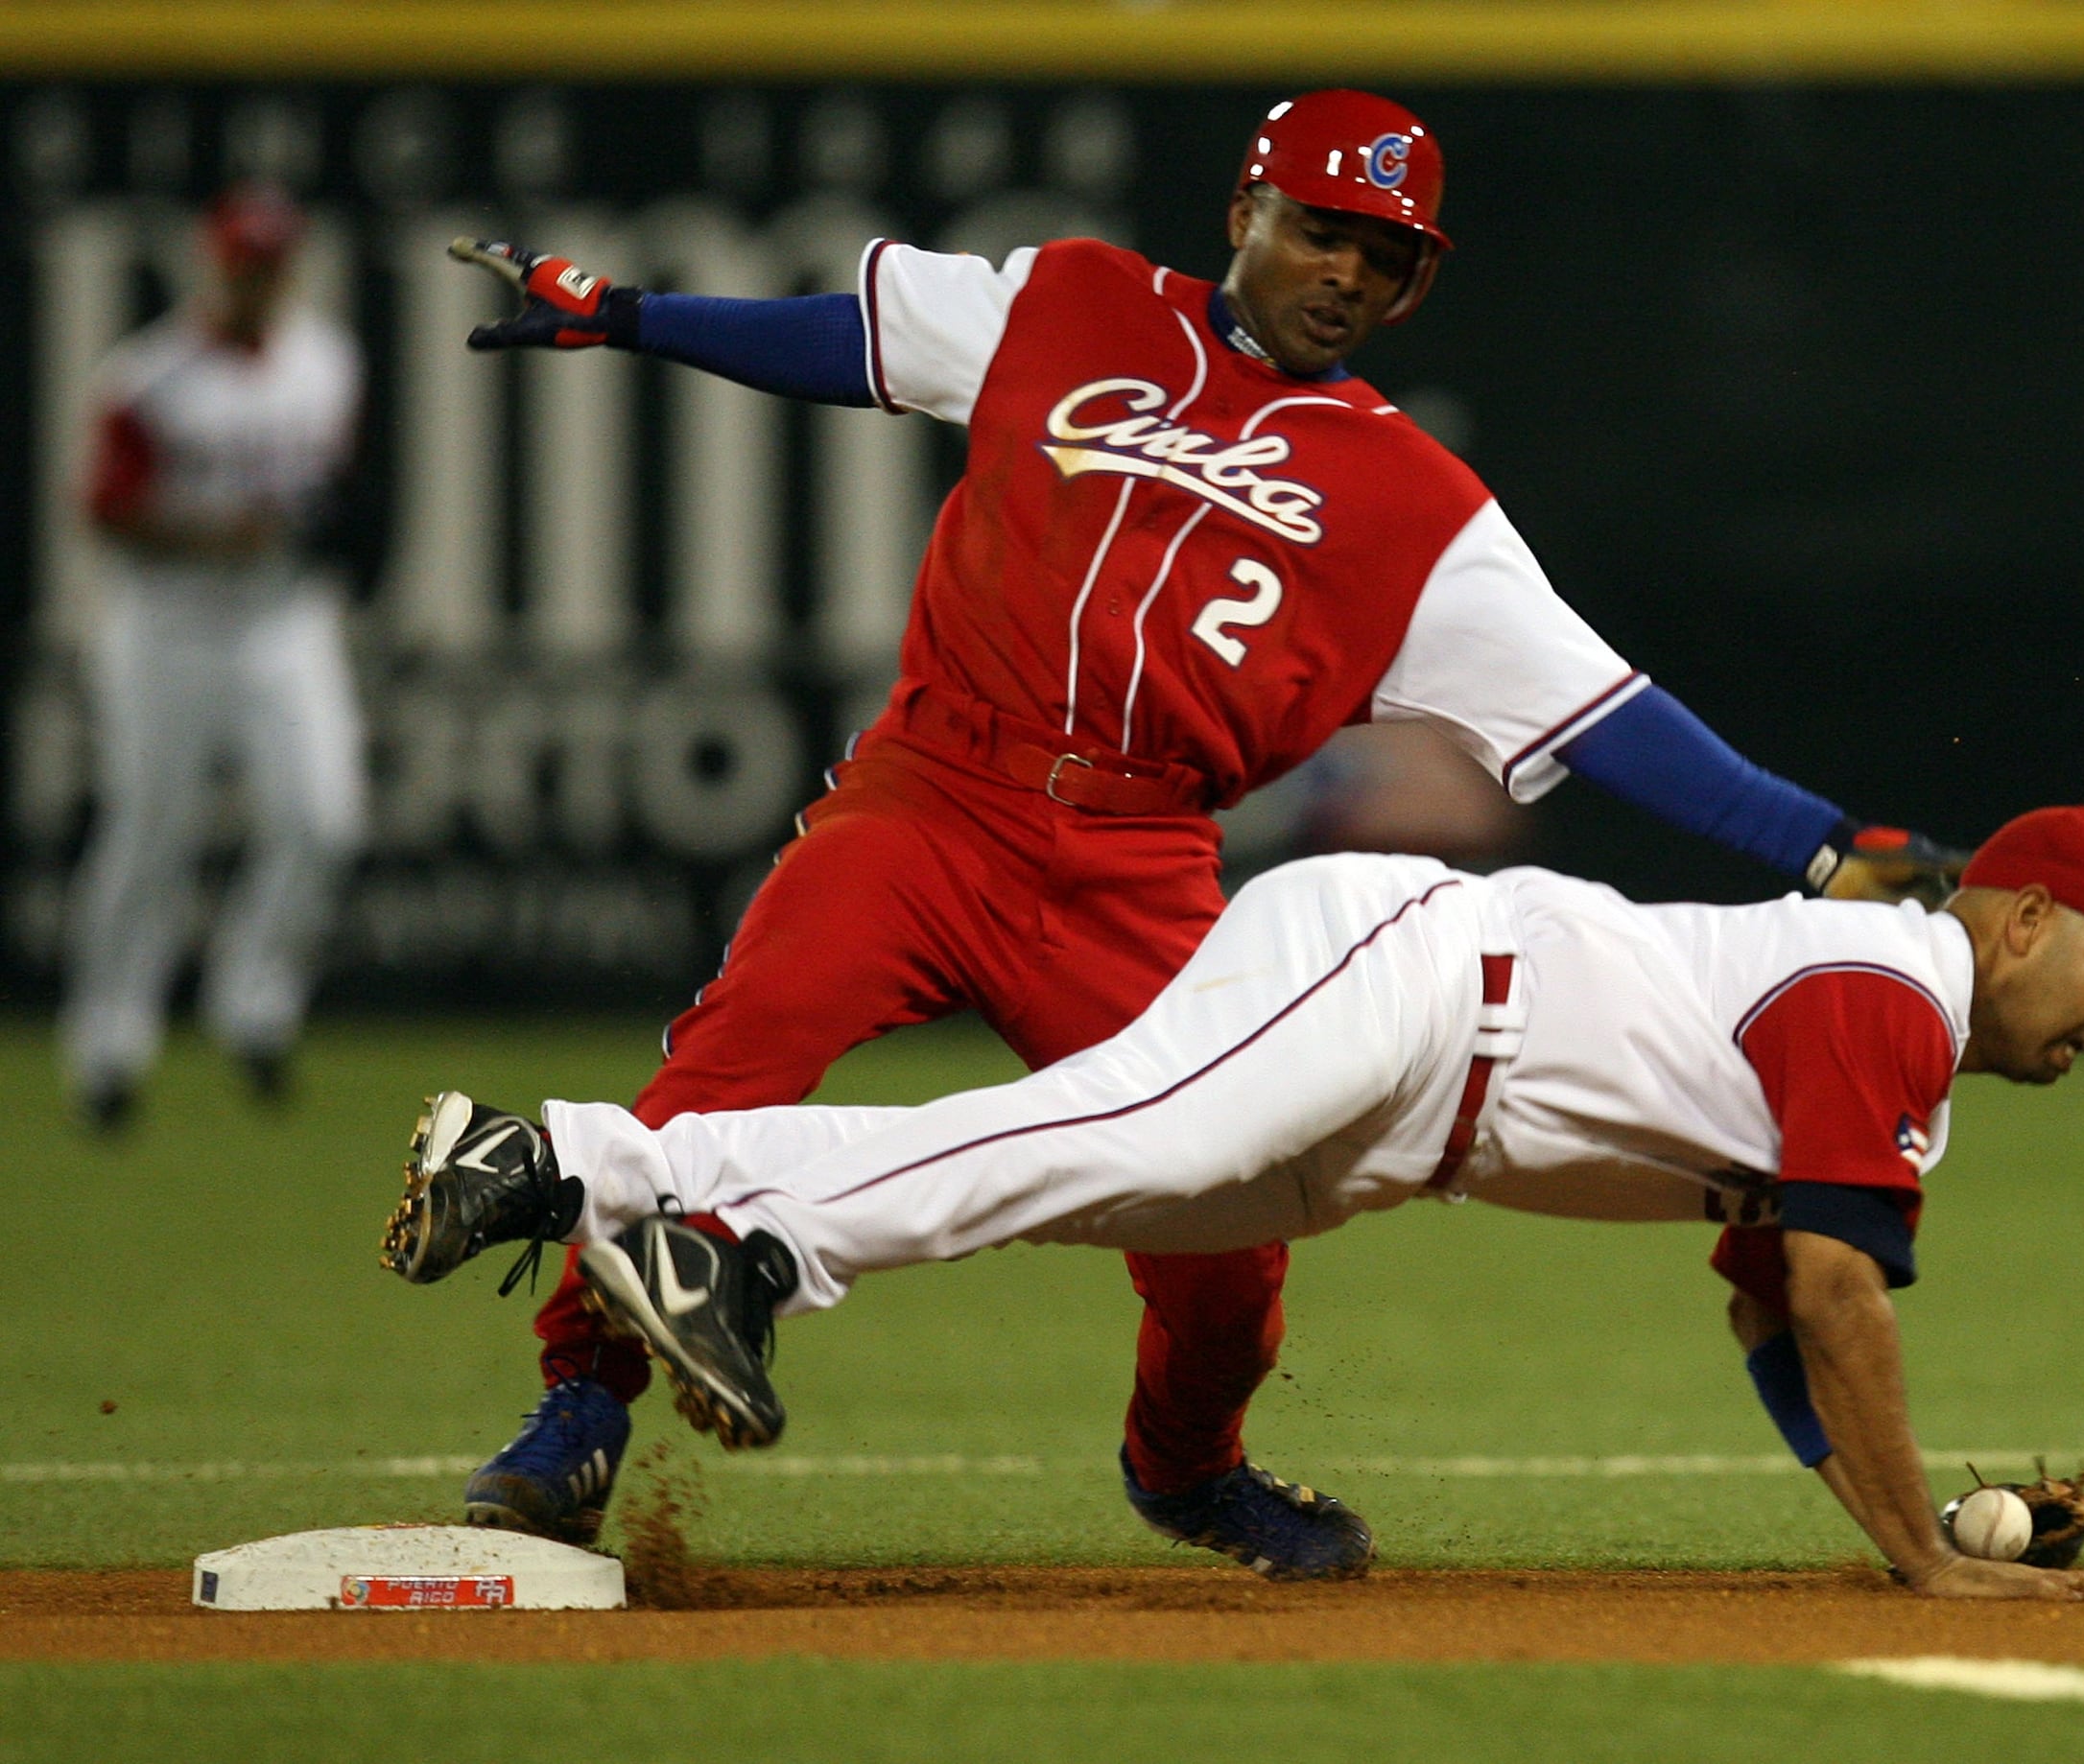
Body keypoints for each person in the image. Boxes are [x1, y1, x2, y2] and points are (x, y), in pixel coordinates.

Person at [427, 89, 1967, 1572]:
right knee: (727, 1063)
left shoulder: (1415, 504)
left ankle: (1184, 1465)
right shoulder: (1076, 304)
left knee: (1226, 1240)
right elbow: (859, 339)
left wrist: (1822, 843)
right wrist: (634, 315)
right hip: (932, 795)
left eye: (1388, 255)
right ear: (1246, 210)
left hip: (1138, 856)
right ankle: (579, 1406)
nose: (1348, 272)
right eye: (1321, 229)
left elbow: (1609, 712)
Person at [388, 806, 2084, 1592]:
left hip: (1404, 1118)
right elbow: (1837, 1289)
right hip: (1413, 979)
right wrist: (1919, 1553)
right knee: (1114, 1140)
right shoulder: (1893, 987)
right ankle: (634, 1187)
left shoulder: (1901, 1044)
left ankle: (619, 1183)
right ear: (2024, 918)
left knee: (1064, 1172)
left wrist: (1908, 1524)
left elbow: (1770, 1308)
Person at [61, 183, 366, 1130]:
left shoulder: (326, 360)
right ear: (212, 262)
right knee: (152, 832)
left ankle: (256, 1008)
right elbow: (103, 510)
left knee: (323, 819)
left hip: (283, 623)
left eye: (273, 262)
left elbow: (332, 491)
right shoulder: (148, 378)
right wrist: (211, 537)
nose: (258, 278)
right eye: (244, 261)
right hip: (169, 628)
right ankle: (109, 1048)